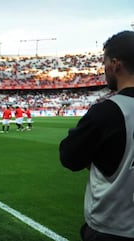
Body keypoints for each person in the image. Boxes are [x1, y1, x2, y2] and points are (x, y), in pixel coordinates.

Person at [59, 30, 134, 241]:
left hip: (112, 226)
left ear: (116, 64)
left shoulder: (107, 111)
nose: (104, 69)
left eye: (105, 63)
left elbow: (69, 158)